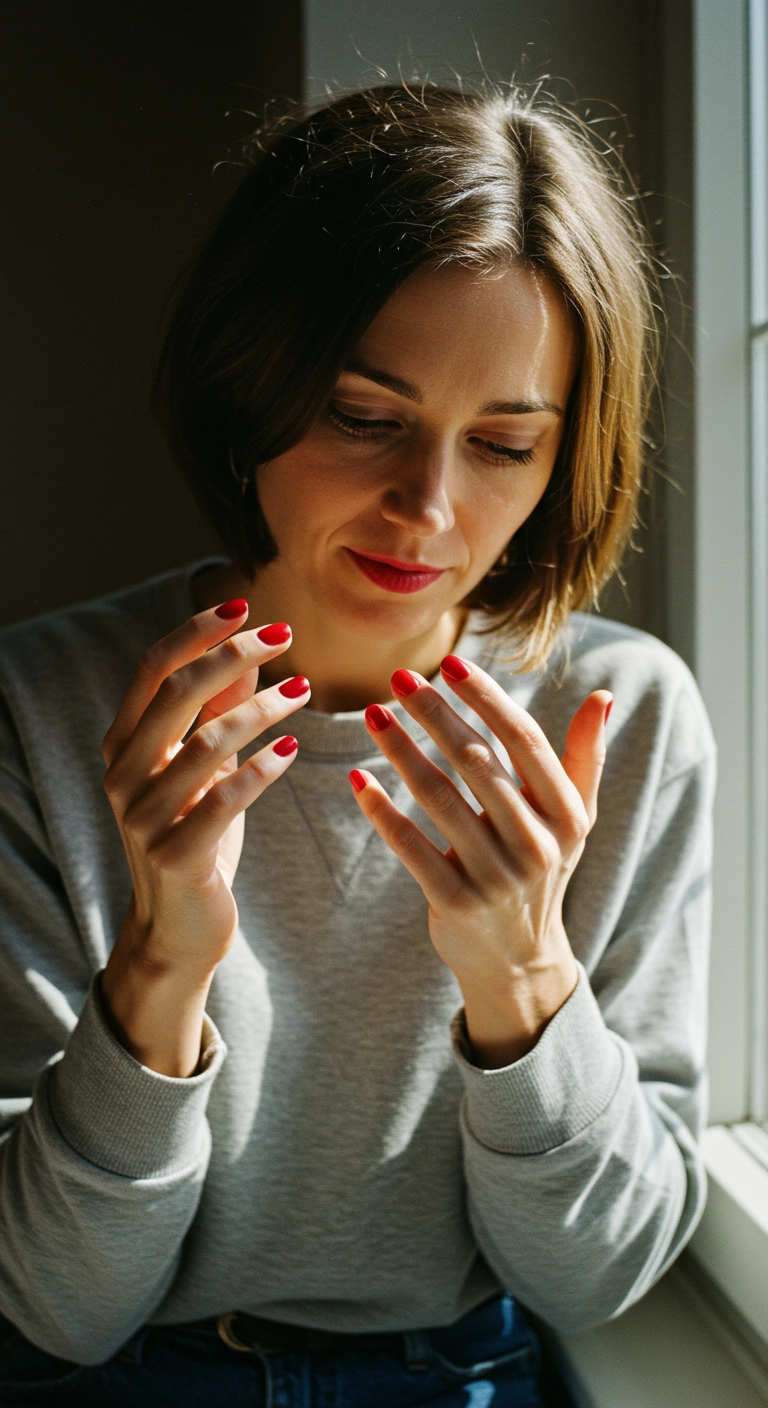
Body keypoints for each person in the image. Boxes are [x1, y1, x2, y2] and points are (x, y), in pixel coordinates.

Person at [0, 83, 714, 1407]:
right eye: (364, 417)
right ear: (245, 383)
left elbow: (595, 1276)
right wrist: (160, 966)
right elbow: (53, 1304)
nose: (429, 507)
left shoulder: (625, 723)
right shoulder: (40, 710)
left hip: (468, 1379)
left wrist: (524, 983)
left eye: (505, 444)